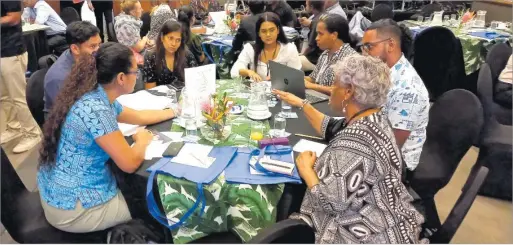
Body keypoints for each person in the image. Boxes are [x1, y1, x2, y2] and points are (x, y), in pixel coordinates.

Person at [273, 55, 425, 243]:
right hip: (388, 217)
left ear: (348, 92)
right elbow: (330, 126)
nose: (331, 90)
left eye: (335, 85)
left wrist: (307, 170)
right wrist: (302, 104)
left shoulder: (354, 143)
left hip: (367, 233)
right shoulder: (374, 119)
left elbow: (331, 203)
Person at [38, 42, 177, 233]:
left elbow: (140, 116)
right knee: (156, 204)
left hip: (59, 194)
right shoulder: (97, 110)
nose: (137, 77)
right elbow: (129, 163)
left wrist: (174, 111)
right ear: (121, 78)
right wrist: (142, 140)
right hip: (75, 209)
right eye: (135, 73)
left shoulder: (95, 94)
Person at [361, 19, 429, 171]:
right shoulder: (383, 71)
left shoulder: (408, 90)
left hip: (396, 163)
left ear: (390, 45)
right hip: (376, 138)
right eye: (363, 47)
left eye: (369, 47)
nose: (364, 54)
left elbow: (391, 147)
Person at [1, 0, 41, 154]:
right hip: (2, 52)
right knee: (4, 96)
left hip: (11, 51)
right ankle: (13, 127)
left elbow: (14, 18)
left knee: (18, 97)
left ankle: (32, 133)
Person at [44, 21, 101, 115]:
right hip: (64, 120)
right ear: (75, 49)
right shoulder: (59, 76)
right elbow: (70, 114)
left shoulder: (87, 58)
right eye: (93, 46)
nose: (98, 50)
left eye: (99, 44)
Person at [230, 12, 301, 82]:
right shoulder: (250, 48)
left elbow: (297, 76)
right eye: (263, 31)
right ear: (259, 33)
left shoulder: (289, 49)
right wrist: (249, 72)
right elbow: (234, 72)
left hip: (282, 91)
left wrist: (281, 78)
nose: (268, 34)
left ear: (278, 30)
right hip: (256, 91)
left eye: (272, 30)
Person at [305, 14, 358, 95]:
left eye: (320, 34)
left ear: (334, 35)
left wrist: (311, 86)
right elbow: (313, 78)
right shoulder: (325, 54)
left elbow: (343, 91)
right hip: (321, 98)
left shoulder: (351, 59)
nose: (316, 38)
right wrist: (297, 79)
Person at [142, 20, 198, 89]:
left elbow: (196, 82)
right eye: (170, 38)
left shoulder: (187, 55)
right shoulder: (151, 57)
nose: (174, 44)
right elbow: (150, 90)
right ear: (162, 37)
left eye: (178, 40)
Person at [299, 0, 324, 72]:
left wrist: (301, 55)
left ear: (312, 7)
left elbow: (311, 46)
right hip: (323, 56)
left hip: (316, 59)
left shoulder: (317, 22)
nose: (305, 7)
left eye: (306, 5)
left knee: (292, 62)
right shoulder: (324, 16)